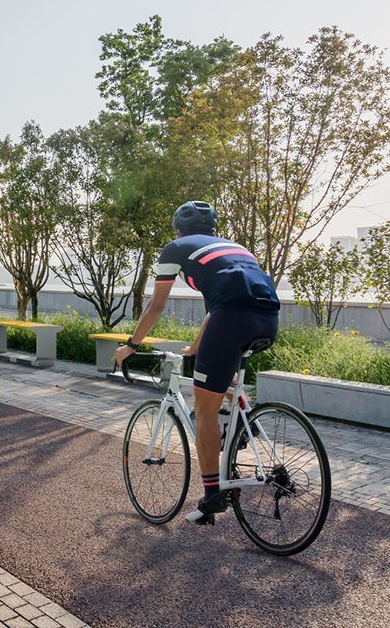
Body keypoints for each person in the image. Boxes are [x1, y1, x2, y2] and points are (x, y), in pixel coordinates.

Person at [114, 201, 280, 525]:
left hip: (231, 319)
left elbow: (156, 306)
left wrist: (132, 345)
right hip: (268, 319)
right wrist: (196, 347)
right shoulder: (234, 248)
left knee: (204, 410)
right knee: (222, 378)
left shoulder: (175, 249)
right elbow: (214, 309)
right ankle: (243, 423)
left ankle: (212, 496)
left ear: (178, 229)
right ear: (211, 229)